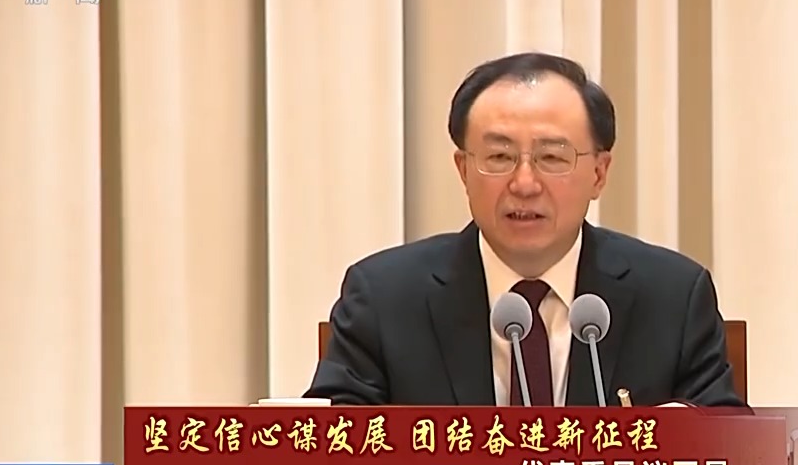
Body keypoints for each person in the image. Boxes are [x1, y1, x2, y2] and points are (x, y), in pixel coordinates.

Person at [304, 52, 744, 407]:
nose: (525, 184)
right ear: (463, 170)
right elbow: (327, 448)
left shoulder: (672, 297)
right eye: (499, 157)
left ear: (599, 173)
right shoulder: (384, 298)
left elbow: (729, 450)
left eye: (552, 157)